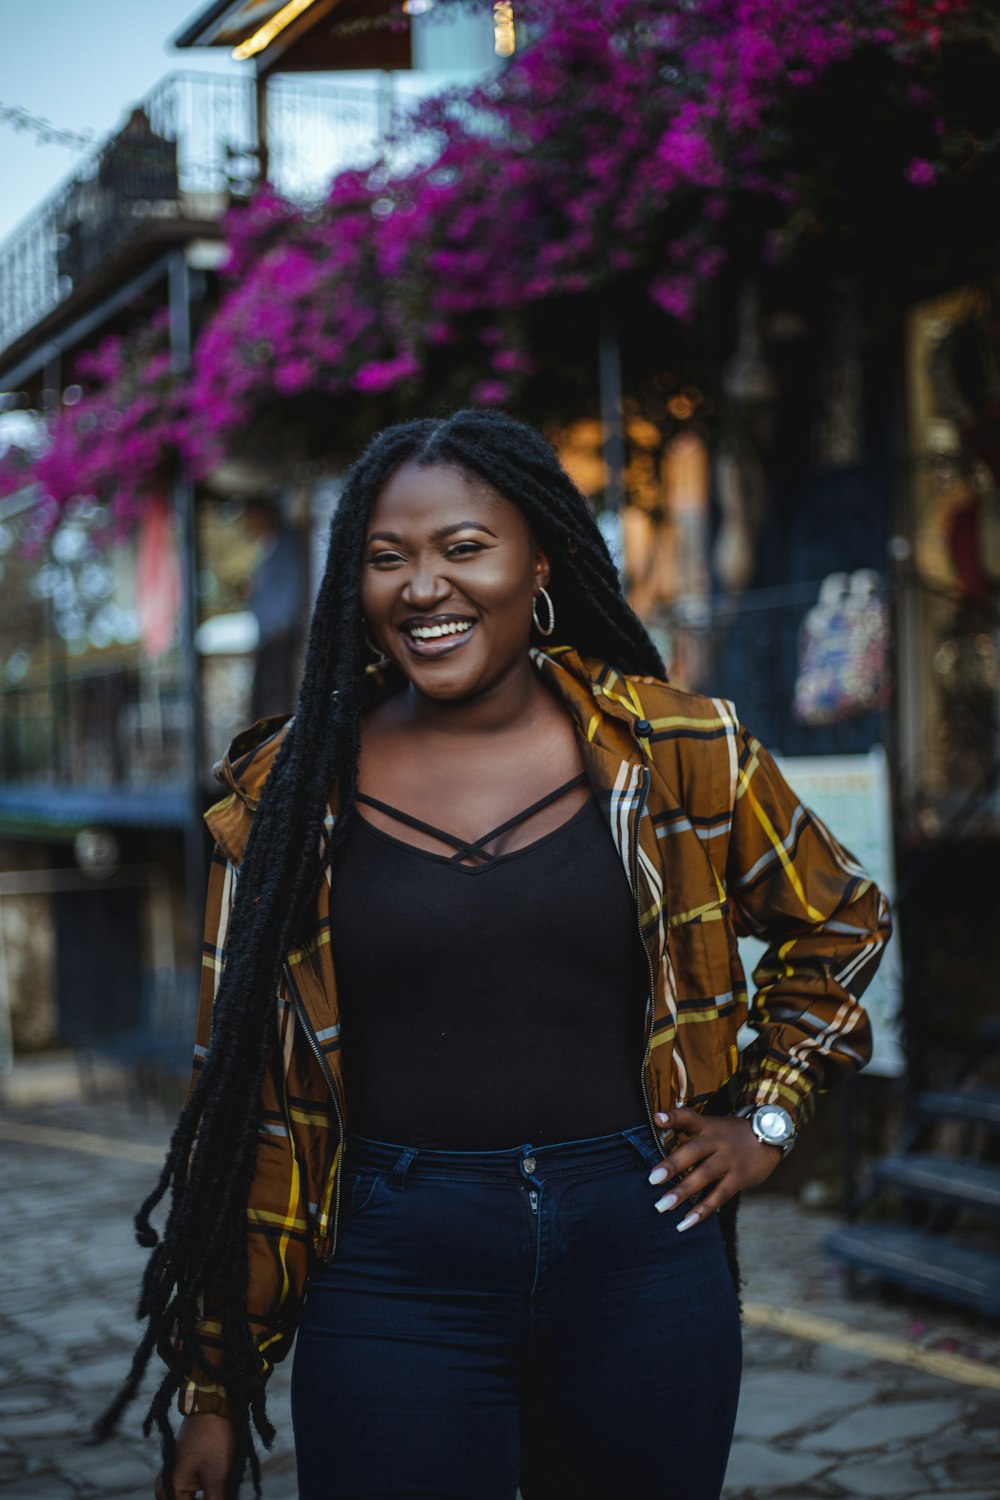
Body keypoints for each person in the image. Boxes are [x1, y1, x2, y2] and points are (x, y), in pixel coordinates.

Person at [100, 409, 890, 1500]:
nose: (423, 587)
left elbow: (841, 920)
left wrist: (766, 1120)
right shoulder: (282, 802)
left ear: (541, 563)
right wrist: (213, 1384)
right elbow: (249, 1110)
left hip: (641, 1254)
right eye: (387, 559)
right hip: (388, 1271)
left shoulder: (678, 753)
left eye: (463, 548)